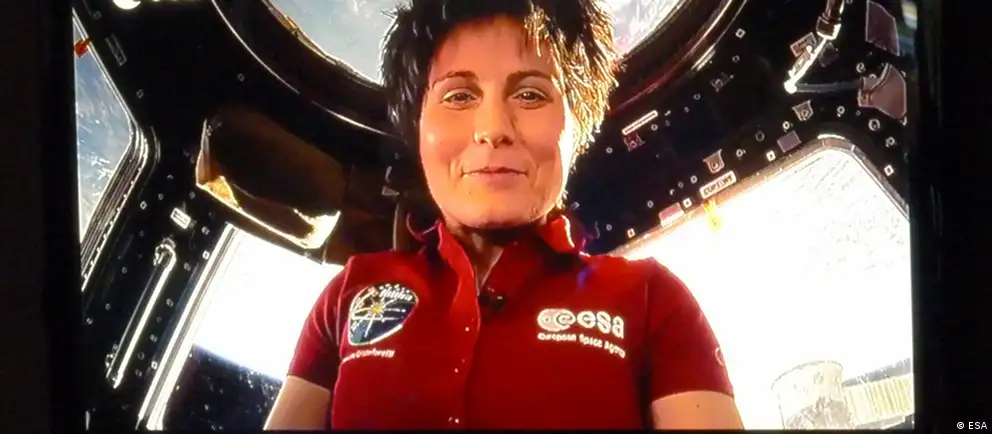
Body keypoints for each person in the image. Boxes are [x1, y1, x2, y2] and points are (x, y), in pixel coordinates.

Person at [264, 0, 744, 429]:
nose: (493, 128)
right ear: (418, 127)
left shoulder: (652, 300)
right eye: (459, 96)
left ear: (578, 127)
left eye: (531, 94)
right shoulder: (348, 295)